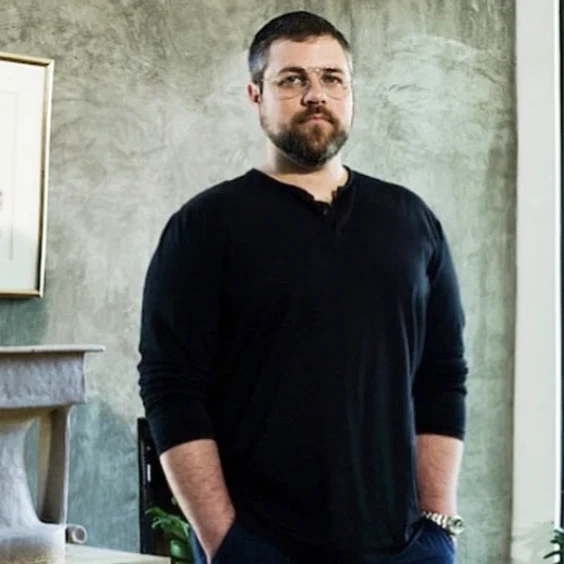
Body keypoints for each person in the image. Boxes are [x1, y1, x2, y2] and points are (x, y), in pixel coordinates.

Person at [138, 10, 468, 564]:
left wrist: (437, 526)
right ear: (256, 95)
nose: (315, 94)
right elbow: (172, 388)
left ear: (350, 93)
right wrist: (226, 542)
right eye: (292, 79)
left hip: (405, 547)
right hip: (262, 547)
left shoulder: (411, 221)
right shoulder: (205, 226)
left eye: (331, 78)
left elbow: (442, 376)